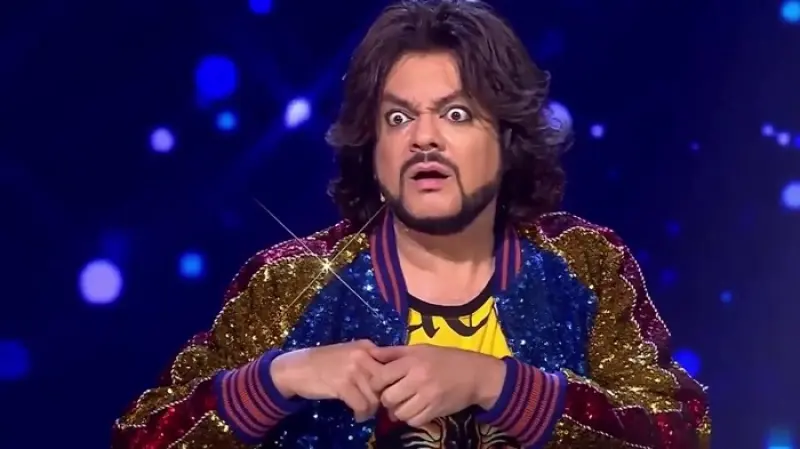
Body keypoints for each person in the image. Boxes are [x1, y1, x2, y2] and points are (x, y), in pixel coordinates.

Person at [111, 1, 711, 448]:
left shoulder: (585, 264)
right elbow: (142, 437)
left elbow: (681, 433)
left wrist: (498, 385)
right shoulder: (288, 284)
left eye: (456, 114)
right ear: (371, 148)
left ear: (508, 140)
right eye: (398, 118)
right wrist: (278, 378)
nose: (424, 137)